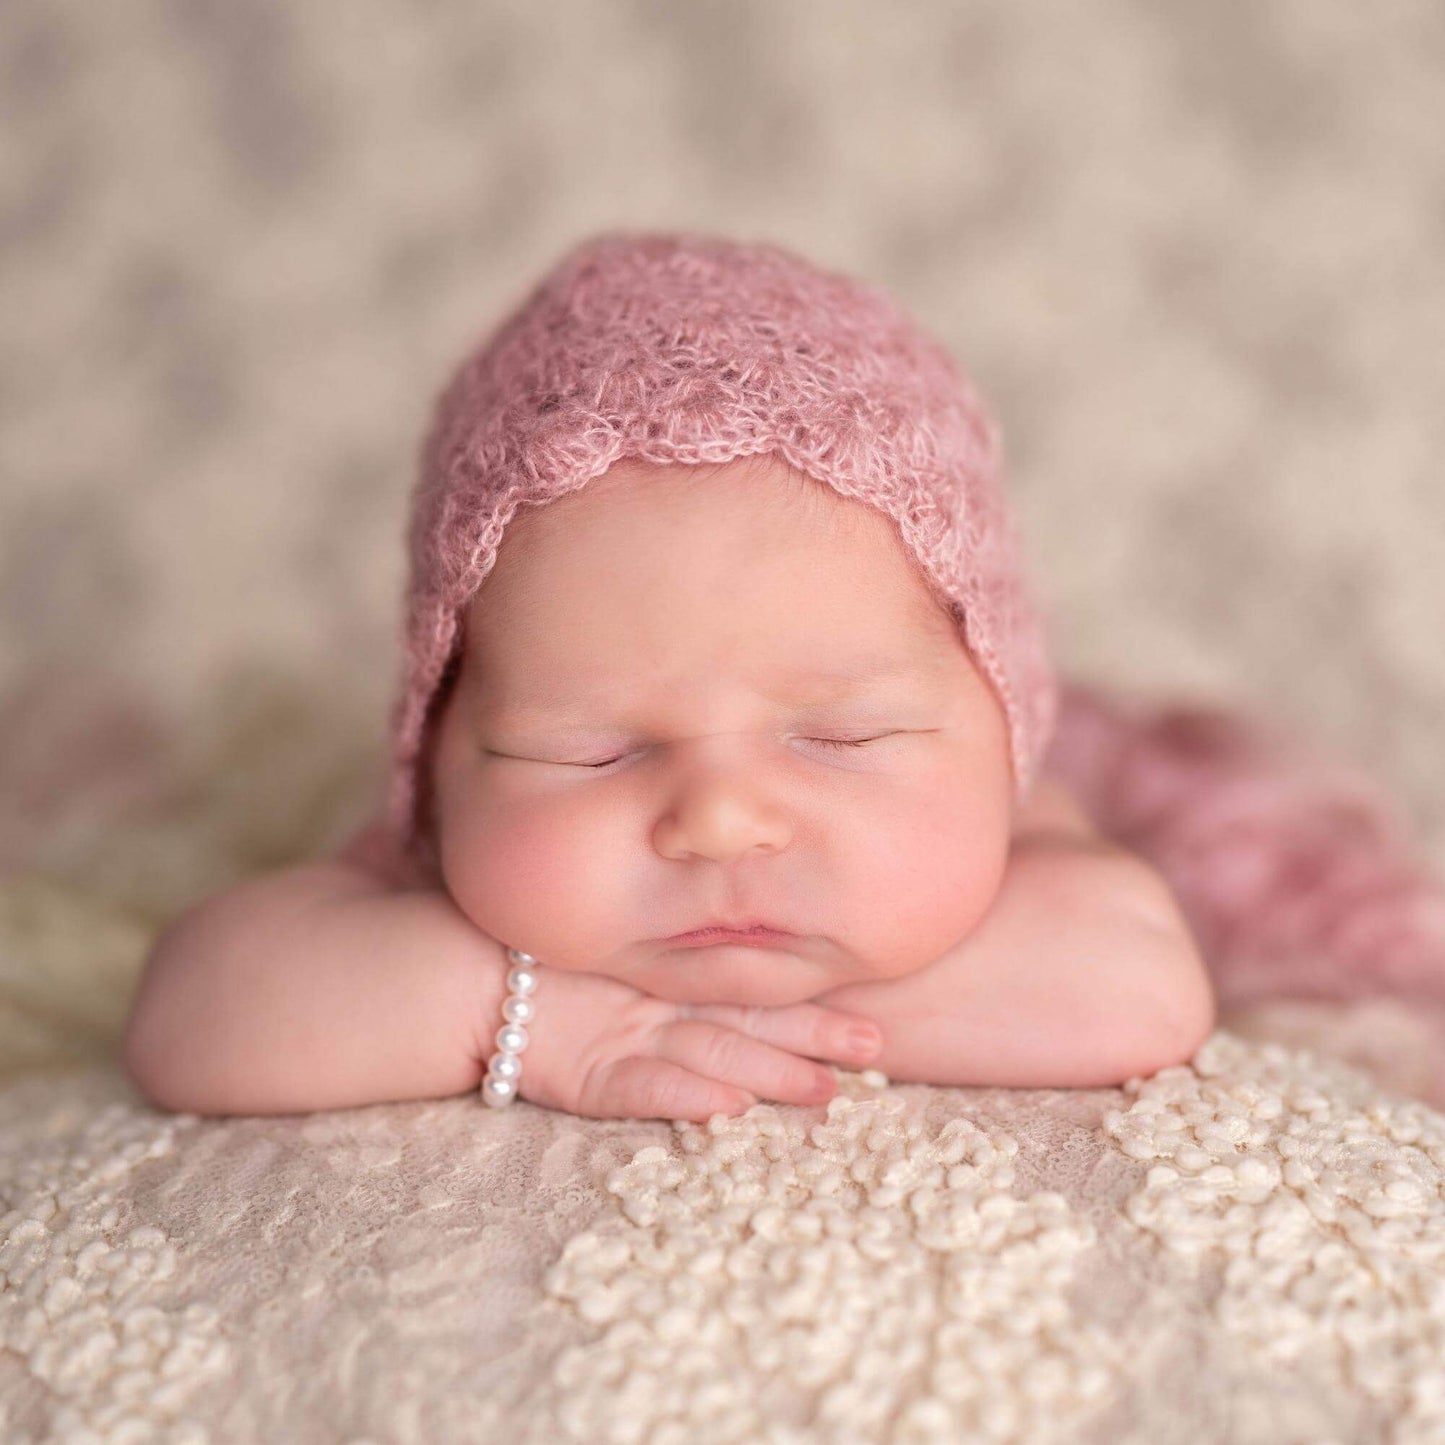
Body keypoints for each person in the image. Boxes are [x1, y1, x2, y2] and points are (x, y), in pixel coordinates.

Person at [124, 228, 1282, 1123]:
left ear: (1005, 720)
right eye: (587, 748)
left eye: (840, 735)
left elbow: (1133, 985)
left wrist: (701, 1012)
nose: (720, 821)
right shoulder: (427, 858)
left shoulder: (1024, 829)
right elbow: (193, 1010)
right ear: (432, 749)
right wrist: (530, 1016)